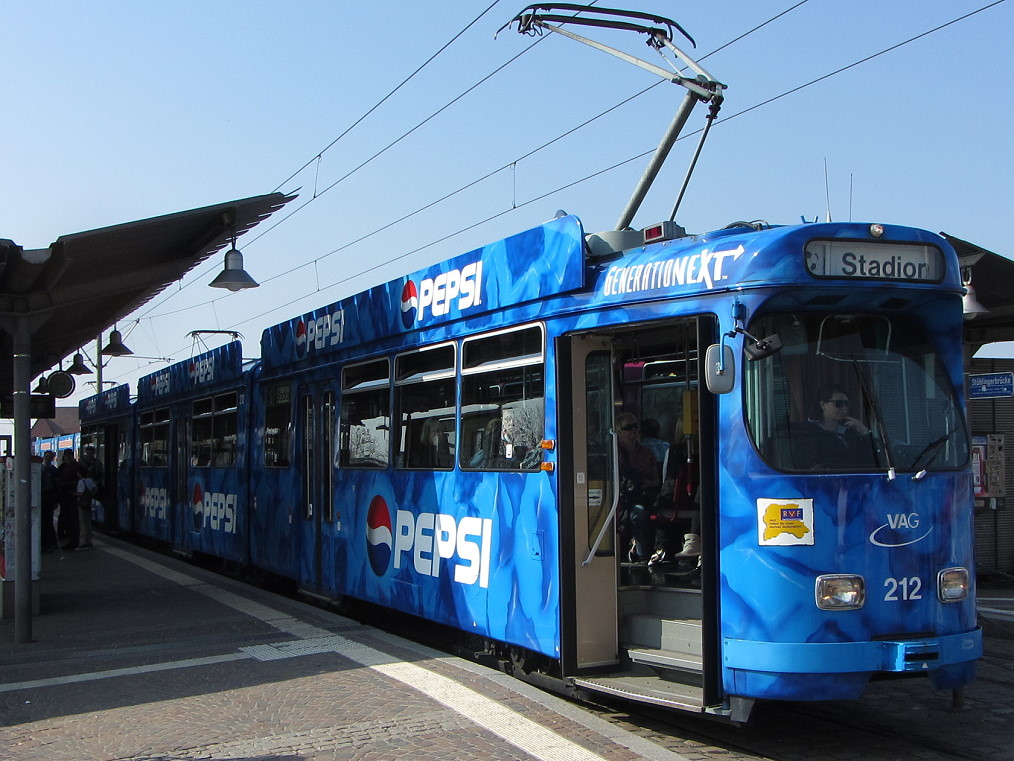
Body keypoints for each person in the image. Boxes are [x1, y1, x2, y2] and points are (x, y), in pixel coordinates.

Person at [616, 412, 660, 563]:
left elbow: (656, 480)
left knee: (638, 515)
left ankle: (642, 557)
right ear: (618, 431)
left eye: (636, 426)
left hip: (639, 497)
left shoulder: (646, 453)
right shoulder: (613, 452)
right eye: (628, 427)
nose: (633, 430)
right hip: (617, 500)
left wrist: (642, 483)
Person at [808, 383, 872, 466]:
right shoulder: (810, 432)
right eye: (839, 403)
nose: (844, 408)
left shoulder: (850, 432)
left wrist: (863, 431)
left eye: (847, 403)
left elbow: (867, 460)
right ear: (823, 405)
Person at [55, 449, 80, 550]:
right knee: (68, 518)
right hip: (65, 496)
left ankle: (73, 540)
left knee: (73, 519)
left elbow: (81, 480)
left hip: (73, 496)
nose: (68, 458)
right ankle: (69, 538)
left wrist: (64, 484)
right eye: (66, 456)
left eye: (69, 456)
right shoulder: (63, 467)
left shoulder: (77, 467)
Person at [39, 451, 59, 552]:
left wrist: (55, 500)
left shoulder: (53, 470)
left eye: (50, 457)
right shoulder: (40, 469)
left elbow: (56, 486)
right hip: (43, 498)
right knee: (44, 522)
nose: (48, 459)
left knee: (48, 522)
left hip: (49, 498)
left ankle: (51, 543)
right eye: (47, 457)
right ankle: (49, 543)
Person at [75, 464, 97, 549]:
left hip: (82, 504)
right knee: (88, 522)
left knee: (83, 522)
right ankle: (89, 540)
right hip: (88, 503)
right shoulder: (89, 481)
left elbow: (80, 493)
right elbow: (95, 489)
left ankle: (85, 541)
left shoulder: (81, 481)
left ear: (79, 473)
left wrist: (72, 494)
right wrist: (90, 496)